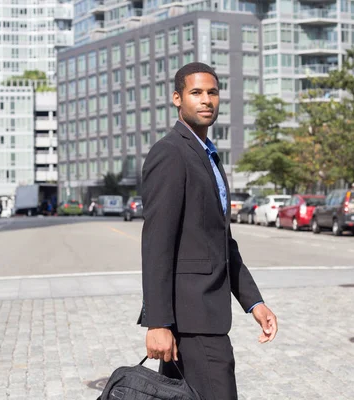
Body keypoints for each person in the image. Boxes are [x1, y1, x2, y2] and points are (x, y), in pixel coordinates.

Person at [138, 62, 278, 400]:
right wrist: (158, 323)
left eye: (212, 93)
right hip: (192, 322)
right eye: (196, 92)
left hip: (202, 318)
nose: (206, 100)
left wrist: (254, 302)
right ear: (177, 98)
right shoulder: (170, 153)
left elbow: (221, 241)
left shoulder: (209, 156)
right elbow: (157, 244)